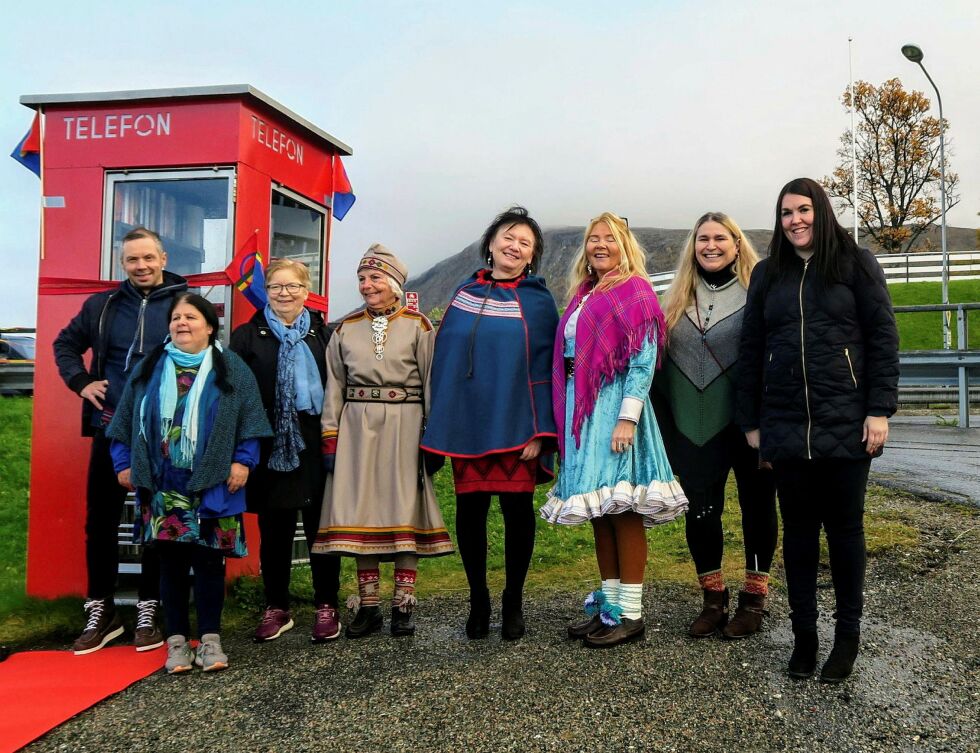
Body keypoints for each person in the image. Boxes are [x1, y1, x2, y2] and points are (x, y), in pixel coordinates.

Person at [736, 177, 899, 683]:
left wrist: (879, 409)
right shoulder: (768, 275)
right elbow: (750, 349)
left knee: (846, 532)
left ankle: (846, 638)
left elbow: (882, 337)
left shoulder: (854, 263)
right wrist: (751, 421)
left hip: (846, 422)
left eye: (803, 210)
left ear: (820, 212)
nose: (795, 221)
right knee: (801, 535)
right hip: (785, 426)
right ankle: (804, 638)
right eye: (786, 213)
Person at [540, 212, 687, 648]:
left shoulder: (635, 291)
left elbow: (642, 362)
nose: (599, 245)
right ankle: (608, 608)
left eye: (609, 238)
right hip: (580, 413)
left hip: (615, 412)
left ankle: (632, 614)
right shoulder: (583, 294)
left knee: (622, 511)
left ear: (625, 245)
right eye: (593, 239)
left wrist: (627, 417)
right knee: (598, 515)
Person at [107, 293, 272, 674]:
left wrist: (242, 462)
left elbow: (250, 421)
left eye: (191, 317)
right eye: (176, 317)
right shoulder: (149, 367)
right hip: (164, 483)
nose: (182, 323)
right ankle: (177, 642)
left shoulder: (230, 367)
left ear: (209, 326)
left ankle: (211, 640)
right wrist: (122, 463)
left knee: (209, 563)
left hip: (214, 483)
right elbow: (124, 420)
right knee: (171, 565)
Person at [421, 207, 559, 640]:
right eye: (508, 237)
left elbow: (547, 368)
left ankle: (513, 602)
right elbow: (444, 362)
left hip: (519, 427)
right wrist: (441, 424)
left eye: (525, 243)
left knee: (518, 513)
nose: (514, 246)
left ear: (532, 255)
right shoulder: (464, 295)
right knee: (471, 512)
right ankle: (477, 600)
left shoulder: (538, 301)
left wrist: (541, 433)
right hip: (471, 425)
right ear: (491, 242)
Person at [53, 226, 187, 655]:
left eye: (148, 258)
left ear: (163, 258)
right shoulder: (101, 305)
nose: (141, 266)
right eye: (132, 259)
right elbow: (64, 344)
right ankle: (102, 608)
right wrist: (80, 381)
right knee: (101, 519)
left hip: (162, 427)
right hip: (109, 424)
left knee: (154, 517)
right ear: (122, 263)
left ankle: (150, 606)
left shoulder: (184, 304)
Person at [312, 245, 453, 638]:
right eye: (362, 278)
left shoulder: (419, 326)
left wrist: (433, 439)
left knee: (403, 508)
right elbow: (334, 388)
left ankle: (403, 605)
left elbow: (431, 384)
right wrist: (330, 438)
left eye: (375, 278)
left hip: (406, 425)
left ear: (394, 283)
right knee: (362, 509)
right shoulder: (344, 329)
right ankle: (369, 606)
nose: (367, 285)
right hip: (357, 427)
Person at [653, 212, 777, 639]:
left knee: (757, 508)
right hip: (692, 427)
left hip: (750, 426)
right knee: (701, 512)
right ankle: (713, 599)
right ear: (694, 246)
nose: (711, 245)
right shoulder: (673, 302)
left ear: (737, 244)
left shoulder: (756, 295)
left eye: (720, 238)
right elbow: (657, 369)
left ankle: (754, 600)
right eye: (702, 238)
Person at [230, 259, 343, 643]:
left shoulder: (323, 334)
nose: (284, 293)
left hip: (315, 438)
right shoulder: (247, 336)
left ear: (306, 290)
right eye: (276, 286)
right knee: (275, 529)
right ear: (267, 291)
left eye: (292, 286)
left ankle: (327, 604)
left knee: (320, 527)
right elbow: (236, 393)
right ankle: (277, 606)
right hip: (269, 441)